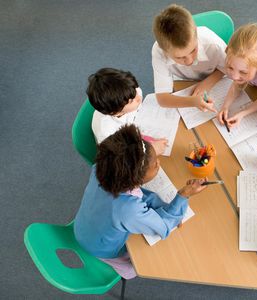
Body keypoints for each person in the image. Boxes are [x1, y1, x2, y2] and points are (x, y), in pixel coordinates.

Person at [73, 124, 207, 279]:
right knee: (137, 267)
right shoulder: (128, 210)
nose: (159, 164)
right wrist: (183, 195)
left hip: (83, 228)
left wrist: (158, 204)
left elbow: (139, 195)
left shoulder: (102, 168)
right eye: (155, 164)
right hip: (100, 248)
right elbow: (163, 227)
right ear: (136, 178)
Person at [152, 4, 226, 112]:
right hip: (182, 81)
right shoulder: (159, 52)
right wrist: (192, 102)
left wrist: (208, 82)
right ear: (164, 51)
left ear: (196, 35)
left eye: (193, 50)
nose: (190, 61)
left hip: (215, 79)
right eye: (180, 57)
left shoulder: (213, 44)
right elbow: (162, 99)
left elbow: (227, 67)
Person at [87, 67, 168, 155]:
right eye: (131, 101)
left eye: (135, 90)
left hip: (139, 127)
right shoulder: (108, 132)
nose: (139, 97)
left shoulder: (130, 92)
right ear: (115, 112)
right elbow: (124, 157)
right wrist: (151, 151)